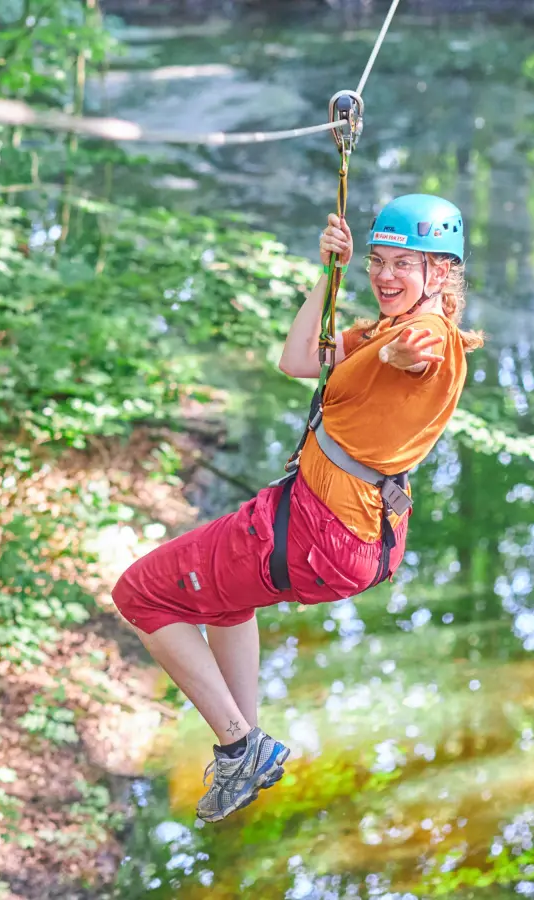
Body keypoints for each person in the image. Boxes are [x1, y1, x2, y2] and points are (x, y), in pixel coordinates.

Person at [110, 193, 485, 823]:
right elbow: (297, 361)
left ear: (441, 273)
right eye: (377, 261)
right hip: (330, 528)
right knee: (225, 602)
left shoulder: (430, 338)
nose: (386, 276)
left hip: (323, 529)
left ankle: (238, 744)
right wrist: (330, 273)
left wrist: (394, 356)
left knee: (140, 595)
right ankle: (246, 743)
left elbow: (420, 350)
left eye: (405, 264)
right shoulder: (381, 329)